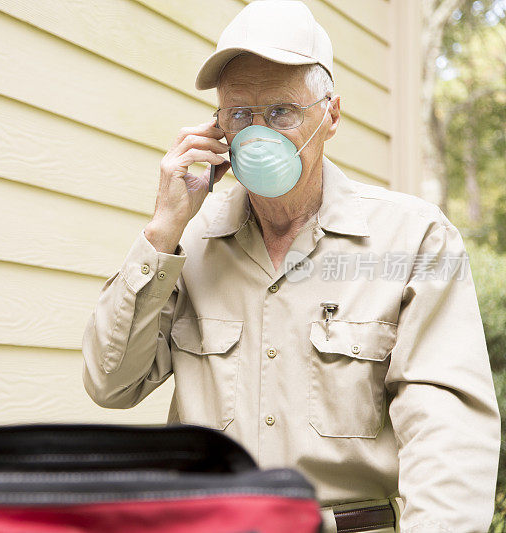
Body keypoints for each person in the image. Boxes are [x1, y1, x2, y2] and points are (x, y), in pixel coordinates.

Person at [81, 1, 501, 532]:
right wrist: (162, 233)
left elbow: (448, 435)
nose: (260, 132)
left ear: (330, 115)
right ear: (218, 130)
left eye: (281, 111)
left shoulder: (415, 238)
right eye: (239, 114)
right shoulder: (188, 238)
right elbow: (111, 383)